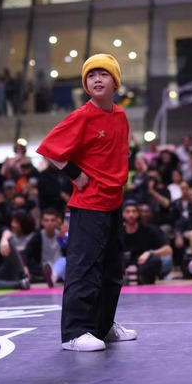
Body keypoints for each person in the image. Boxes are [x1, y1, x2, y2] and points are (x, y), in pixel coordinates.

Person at [37, 54, 137, 352]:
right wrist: (75, 173)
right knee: (84, 269)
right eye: (91, 75)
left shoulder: (120, 116)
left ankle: (103, 327)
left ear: (115, 83)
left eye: (103, 74)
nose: (96, 79)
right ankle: (75, 332)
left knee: (112, 271)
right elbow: (50, 149)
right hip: (89, 204)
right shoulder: (82, 115)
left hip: (114, 202)